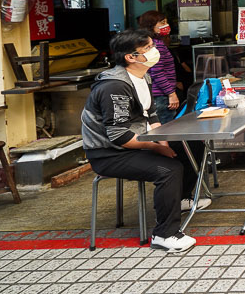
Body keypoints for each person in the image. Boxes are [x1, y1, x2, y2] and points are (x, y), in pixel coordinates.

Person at [81, 29, 206, 253]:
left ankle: (180, 199)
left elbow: (151, 115)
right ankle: (164, 234)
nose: (154, 51)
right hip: (109, 153)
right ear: (130, 57)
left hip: (138, 141)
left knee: (192, 144)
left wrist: (163, 142)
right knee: (169, 169)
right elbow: (119, 136)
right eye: (148, 49)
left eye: (152, 46)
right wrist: (154, 147)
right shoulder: (115, 86)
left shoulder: (143, 76)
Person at [137, 10, 180, 124]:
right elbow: (157, 72)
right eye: (162, 23)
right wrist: (171, 94)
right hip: (161, 95)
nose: (166, 25)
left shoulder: (150, 44)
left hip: (157, 93)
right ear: (151, 26)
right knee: (165, 130)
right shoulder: (157, 46)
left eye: (166, 22)